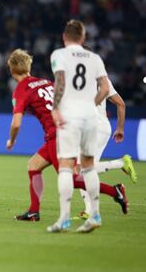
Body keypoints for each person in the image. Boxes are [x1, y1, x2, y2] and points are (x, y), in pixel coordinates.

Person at [5, 49, 127, 222]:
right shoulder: (46, 82)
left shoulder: (21, 90)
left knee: (72, 179)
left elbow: (16, 123)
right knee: (33, 165)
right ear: (28, 66)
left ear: (11, 70)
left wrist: (11, 140)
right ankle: (33, 211)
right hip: (60, 133)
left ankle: (115, 191)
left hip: (59, 136)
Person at [48, 20, 110, 233]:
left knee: (66, 164)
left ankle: (64, 219)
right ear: (83, 38)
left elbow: (61, 81)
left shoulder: (59, 55)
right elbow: (105, 87)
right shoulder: (95, 58)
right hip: (91, 117)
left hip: (69, 116)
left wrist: (56, 108)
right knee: (89, 165)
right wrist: (90, 104)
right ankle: (95, 214)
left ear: (65, 37)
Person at [78, 78, 137, 219]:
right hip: (104, 128)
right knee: (86, 171)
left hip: (91, 129)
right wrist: (120, 128)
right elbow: (121, 104)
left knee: (81, 170)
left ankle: (121, 163)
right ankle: (89, 211)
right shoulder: (103, 79)